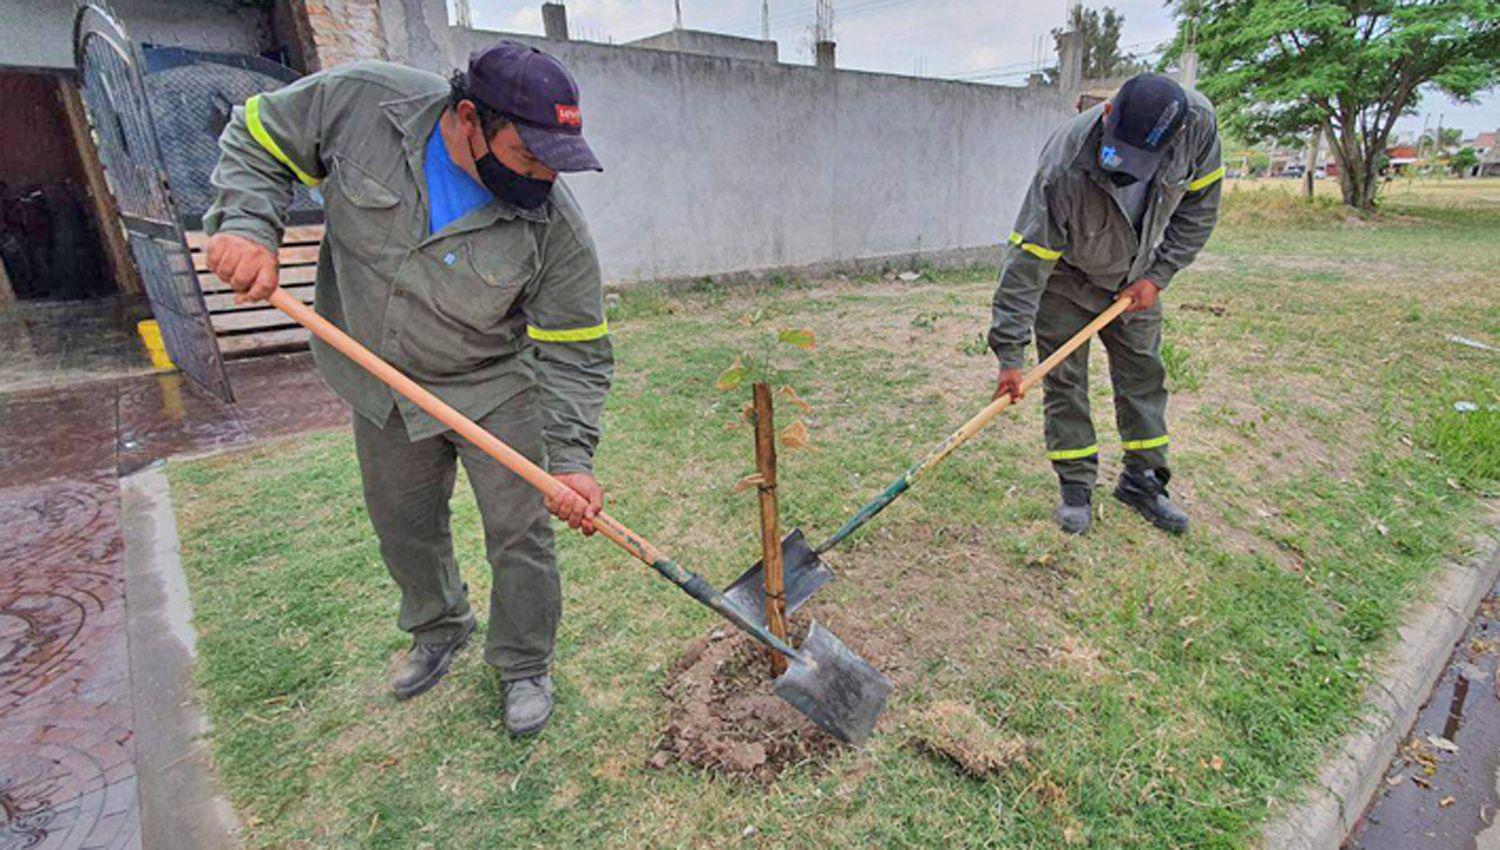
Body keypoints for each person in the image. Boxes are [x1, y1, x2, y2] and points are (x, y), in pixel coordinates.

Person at [203, 41, 613, 736]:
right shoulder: (361, 104)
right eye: (528, 155)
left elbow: (574, 349)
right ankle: (439, 627)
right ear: (467, 119)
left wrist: (571, 459)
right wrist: (247, 225)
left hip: (492, 385)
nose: (543, 175)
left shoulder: (555, 226)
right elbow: (258, 134)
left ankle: (522, 664)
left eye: (555, 160)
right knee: (403, 521)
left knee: (521, 533)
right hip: (380, 375)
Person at [987, 73, 1223, 536]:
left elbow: (1200, 209)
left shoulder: (1198, 127)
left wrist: (1159, 275)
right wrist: (1010, 356)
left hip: (1137, 281)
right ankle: (1076, 486)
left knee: (1143, 376)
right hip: (1066, 280)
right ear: (1107, 111)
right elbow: (1026, 260)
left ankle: (1144, 481)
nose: (1128, 167)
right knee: (1064, 381)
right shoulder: (1063, 165)